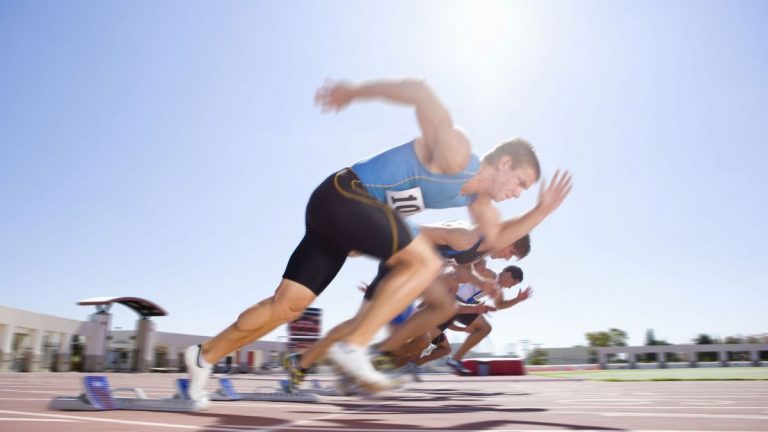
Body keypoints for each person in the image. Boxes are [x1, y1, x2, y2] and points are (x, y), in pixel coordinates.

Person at [184, 78, 572, 407]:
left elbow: (501, 236)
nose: (519, 193)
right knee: (425, 263)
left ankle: (202, 357)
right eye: (521, 183)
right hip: (344, 193)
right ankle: (355, 347)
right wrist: (353, 92)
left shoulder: (480, 204)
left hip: (340, 222)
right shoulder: (456, 154)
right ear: (504, 163)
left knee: (286, 306)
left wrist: (544, 210)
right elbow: (421, 92)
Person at [283, 231, 530, 389]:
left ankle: (310, 362)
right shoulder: (471, 237)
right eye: (511, 252)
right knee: (436, 311)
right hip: (404, 265)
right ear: (508, 240)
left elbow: (460, 270)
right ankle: (338, 361)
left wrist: (483, 286)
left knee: (411, 331)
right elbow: (421, 234)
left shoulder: (478, 253)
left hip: (414, 275)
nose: (506, 258)